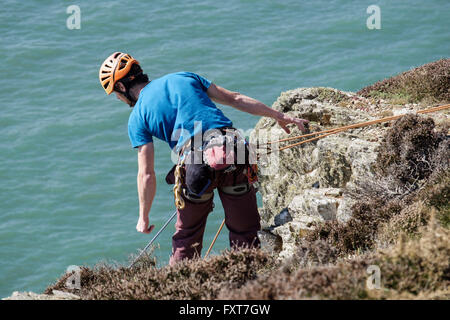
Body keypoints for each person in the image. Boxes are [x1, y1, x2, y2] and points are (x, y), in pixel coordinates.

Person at [99, 52, 309, 265]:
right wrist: (279, 116)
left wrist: (143, 217)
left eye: (115, 93)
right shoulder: (185, 77)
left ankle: (181, 291)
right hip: (234, 154)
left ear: (122, 87)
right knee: (245, 232)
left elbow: (146, 174)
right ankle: (248, 286)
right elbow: (235, 99)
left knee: (187, 238)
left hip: (196, 168)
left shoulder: (137, 117)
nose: (118, 98)